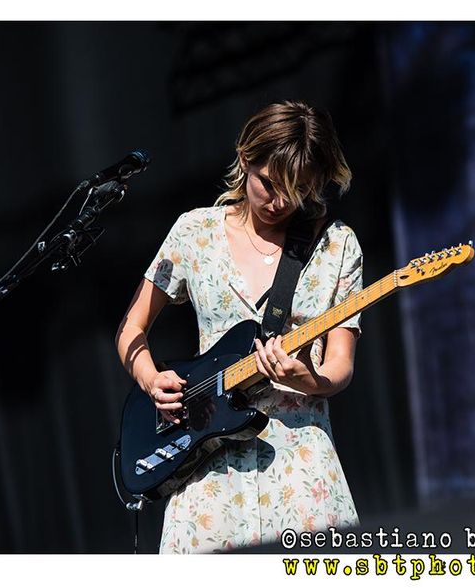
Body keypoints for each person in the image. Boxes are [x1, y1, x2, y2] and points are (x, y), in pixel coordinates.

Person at [115, 100, 363, 553]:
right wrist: (151, 379)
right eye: (269, 184)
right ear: (246, 158)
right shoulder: (195, 232)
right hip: (206, 470)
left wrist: (304, 378)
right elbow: (132, 328)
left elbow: (340, 366)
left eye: (300, 190)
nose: (281, 202)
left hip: (300, 468)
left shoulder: (337, 245)